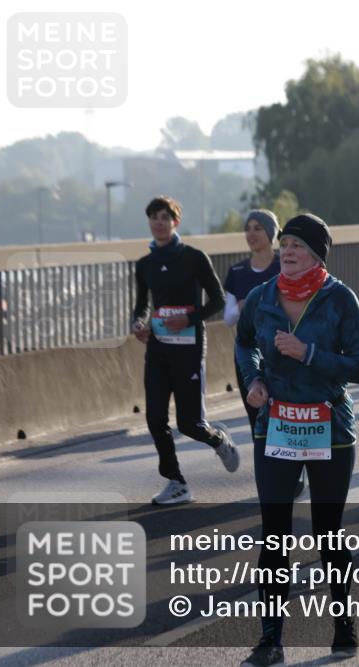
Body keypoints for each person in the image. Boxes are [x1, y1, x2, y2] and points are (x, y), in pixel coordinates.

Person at [235, 213, 359, 665]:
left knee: (329, 533)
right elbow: (243, 341)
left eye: (298, 245)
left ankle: (343, 624)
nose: (288, 251)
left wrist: (308, 353)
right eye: (285, 243)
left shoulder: (340, 299)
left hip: (329, 427)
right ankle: (270, 639)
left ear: (317, 254)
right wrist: (253, 379)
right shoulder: (262, 296)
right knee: (274, 535)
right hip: (276, 425)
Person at [131, 196, 237, 505]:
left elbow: (218, 301)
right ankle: (175, 481)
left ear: (175, 222)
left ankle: (217, 439)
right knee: (154, 418)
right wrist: (139, 324)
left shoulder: (194, 257)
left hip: (189, 349)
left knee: (189, 424)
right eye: (153, 218)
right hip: (158, 349)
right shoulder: (145, 264)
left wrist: (188, 318)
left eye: (165, 217)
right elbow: (142, 306)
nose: (159, 223)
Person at [223, 211, 282, 435]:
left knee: (281, 413)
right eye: (248, 228)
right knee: (256, 416)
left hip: (281, 350)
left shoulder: (283, 266)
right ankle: (264, 468)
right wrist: (245, 304)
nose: (251, 233)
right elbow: (228, 318)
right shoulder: (237, 271)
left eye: (258, 228)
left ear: (271, 232)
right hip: (247, 353)